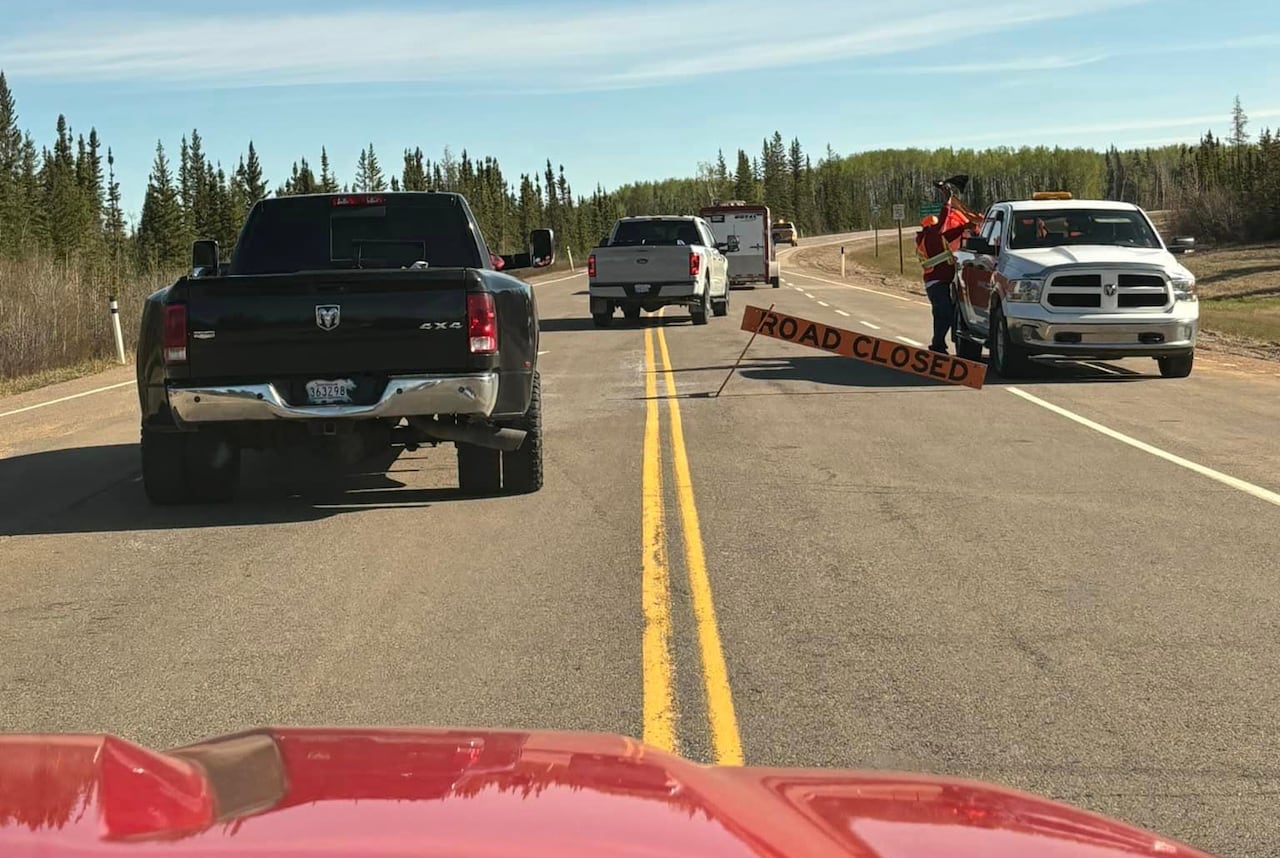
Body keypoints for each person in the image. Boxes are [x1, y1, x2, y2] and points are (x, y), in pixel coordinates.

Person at [915, 187, 982, 354]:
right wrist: (947, 202)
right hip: (936, 283)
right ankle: (942, 344)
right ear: (930, 227)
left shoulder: (934, 238)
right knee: (945, 314)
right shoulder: (930, 236)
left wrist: (967, 225)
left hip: (937, 283)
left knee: (940, 315)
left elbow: (951, 233)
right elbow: (942, 228)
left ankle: (937, 346)